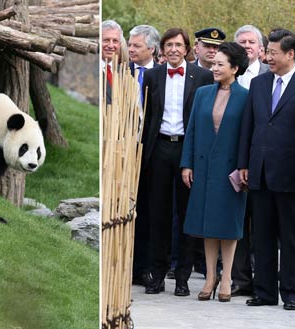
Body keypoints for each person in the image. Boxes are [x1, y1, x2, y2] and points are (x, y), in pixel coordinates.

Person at [237, 29, 295, 311]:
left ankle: (293, 292)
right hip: (259, 170)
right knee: (261, 234)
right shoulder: (259, 84)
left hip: (292, 173)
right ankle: (264, 291)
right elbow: (249, 125)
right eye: (267, 52)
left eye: (273, 53)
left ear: (290, 54)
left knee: (292, 236)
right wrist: (244, 164)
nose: (268, 57)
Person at [141, 28, 214, 296]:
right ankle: (157, 275)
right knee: (157, 214)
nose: (173, 49)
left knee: (186, 214)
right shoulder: (152, 75)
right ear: (161, 49)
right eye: (168, 45)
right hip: (159, 147)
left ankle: (182, 277)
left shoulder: (203, 76)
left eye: (178, 45)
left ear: (187, 49)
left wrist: (196, 157)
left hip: (187, 149)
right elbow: (147, 116)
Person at [180, 42, 249, 302]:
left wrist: (245, 167)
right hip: (204, 167)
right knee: (207, 224)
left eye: (221, 64)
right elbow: (193, 131)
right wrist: (187, 163)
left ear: (235, 68)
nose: (214, 67)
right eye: (214, 63)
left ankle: (227, 277)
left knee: (228, 225)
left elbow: (247, 136)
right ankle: (210, 277)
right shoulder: (203, 93)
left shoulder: (246, 96)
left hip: (230, 171)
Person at [230, 24, 269, 298]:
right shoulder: (223, 75)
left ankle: (263, 276)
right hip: (231, 156)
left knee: (261, 221)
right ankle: (239, 277)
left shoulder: (270, 74)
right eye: (241, 41)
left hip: (262, 159)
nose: (246, 45)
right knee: (237, 220)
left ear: (261, 48)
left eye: (251, 41)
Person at [128, 24, 160, 288]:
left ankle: (145, 267)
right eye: (130, 44)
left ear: (152, 48)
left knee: (149, 211)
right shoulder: (120, 72)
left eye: (136, 45)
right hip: (122, 150)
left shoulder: (160, 76)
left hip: (150, 153)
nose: (131, 49)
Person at [235, 25, 269, 89]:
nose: (247, 46)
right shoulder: (226, 71)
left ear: (260, 48)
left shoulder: (270, 72)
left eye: (252, 42)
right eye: (242, 42)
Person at [101, 20, 123, 103]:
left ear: (120, 45)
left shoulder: (124, 73)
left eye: (115, 41)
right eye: (106, 40)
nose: (111, 46)